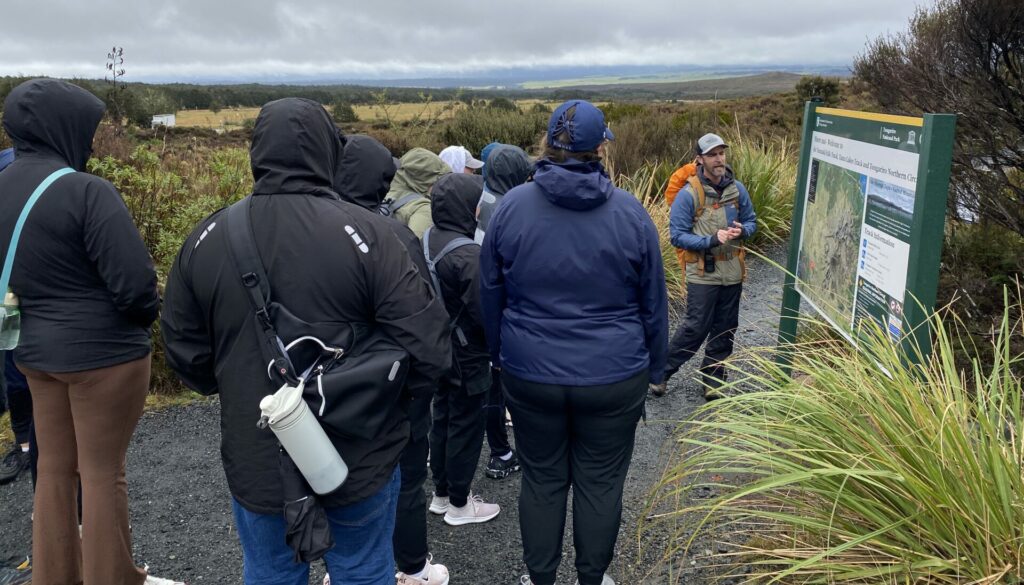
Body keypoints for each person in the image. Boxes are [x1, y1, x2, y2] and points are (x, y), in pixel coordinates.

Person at [161, 99, 451, 585]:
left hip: (258, 450)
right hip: (361, 450)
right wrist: (387, 405)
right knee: (362, 568)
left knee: (271, 571)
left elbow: (187, 356)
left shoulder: (206, 237)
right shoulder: (374, 236)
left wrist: (243, 385)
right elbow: (430, 348)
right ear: (328, 152)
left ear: (256, 152)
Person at [480, 100, 668, 585]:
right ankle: (592, 579)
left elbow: (491, 294)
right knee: (600, 484)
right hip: (613, 374)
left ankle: (540, 579)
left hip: (530, 371)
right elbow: (653, 304)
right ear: (600, 147)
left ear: (548, 144)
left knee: (542, 480)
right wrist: (656, 369)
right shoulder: (631, 215)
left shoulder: (509, 211)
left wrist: (500, 356)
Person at [0, 79, 175, 585]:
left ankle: (54, 578)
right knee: (102, 474)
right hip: (104, 360)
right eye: (86, 128)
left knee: (54, 470)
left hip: (33, 354)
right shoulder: (85, 190)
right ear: (61, 127)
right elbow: (136, 287)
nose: (92, 140)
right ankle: (115, 578)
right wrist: (144, 315)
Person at [334, 134, 450, 585]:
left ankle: (344, 567)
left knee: (336, 478)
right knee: (402, 478)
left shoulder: (307, 227)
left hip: (325, 385)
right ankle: (413, 568)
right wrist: (419, 391)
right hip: (390, 384)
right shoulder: (396, 233)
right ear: (383, 181)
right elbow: (426, 320)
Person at [649, 133, 756, 400]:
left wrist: (744, 230)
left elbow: (753, 221)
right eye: (712, 154)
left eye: (721, 153)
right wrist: (711, 239)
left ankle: (713, 381)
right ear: (700, 159)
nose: (719, 159)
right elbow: (677, 235)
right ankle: (662, 373)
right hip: (702, 273)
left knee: (726, 326)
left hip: (732, 271)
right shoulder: (689, 194)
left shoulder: (737, 189)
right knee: (695, 327)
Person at [423, 173, 501, 528]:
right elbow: (485, 314)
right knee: (467, 426)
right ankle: (459, 503)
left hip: (436, 348)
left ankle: (440, 495)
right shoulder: (468, 254)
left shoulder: (427, 238)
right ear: (470, 208)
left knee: (442, 418)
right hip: (468, 355)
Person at [472, 144, 532, 480]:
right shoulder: (510, 211)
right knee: (504, 385)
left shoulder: (482, 201)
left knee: (491, 387)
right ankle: (507, 452)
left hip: (478, 309)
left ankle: (500, 451)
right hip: (502, 312)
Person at [381, 148, 451, 238]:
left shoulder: (378, 193)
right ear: (427, 179)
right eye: (438, 180)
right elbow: (415, 248)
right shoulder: (422, 208)